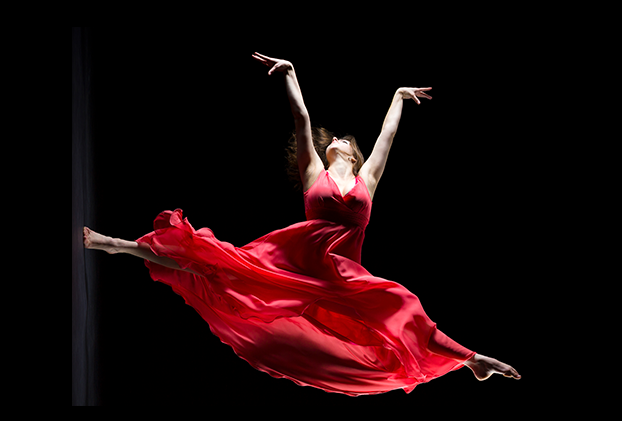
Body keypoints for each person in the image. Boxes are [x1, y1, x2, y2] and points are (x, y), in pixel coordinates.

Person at [84, 52, 520, 396]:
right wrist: (290, 73)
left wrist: (398, 98)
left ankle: (472, 359)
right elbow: (302, 119)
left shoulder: (368, 179)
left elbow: (387, 138)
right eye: (330, 141)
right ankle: (116, 244)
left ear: (352, 153)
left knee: (403, 307)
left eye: (342, 142)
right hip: (298, 267)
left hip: (345, 278)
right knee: (211, 264)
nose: (333, 142)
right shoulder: (316, 174)